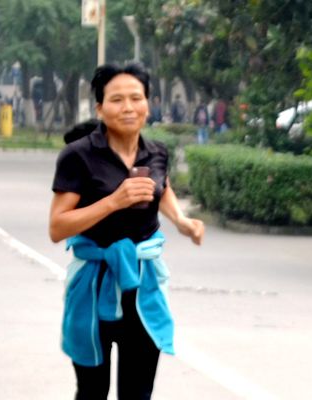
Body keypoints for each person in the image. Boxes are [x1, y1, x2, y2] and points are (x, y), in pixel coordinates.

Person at [49, 63, 204, 400]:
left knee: (138, 393)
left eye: (136, 98)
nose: (128, 107)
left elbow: (162, 188)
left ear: (148, 103)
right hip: (94, 285)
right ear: (100, 108)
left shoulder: (156, 152)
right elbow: (57, 227)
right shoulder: (78, 156)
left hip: (143, 285)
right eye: (117, 99)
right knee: (92, 391)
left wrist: (181, 221)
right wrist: (113, 201)